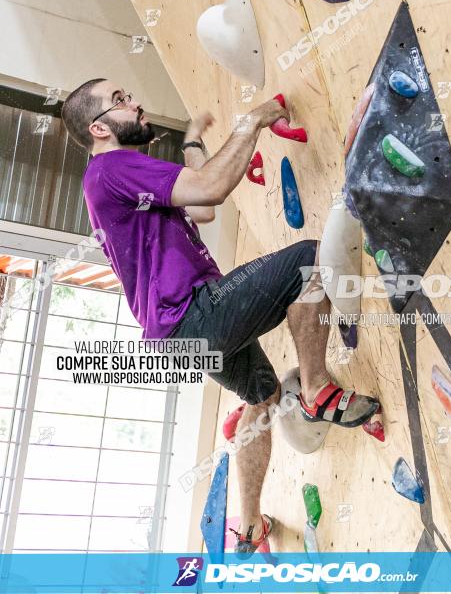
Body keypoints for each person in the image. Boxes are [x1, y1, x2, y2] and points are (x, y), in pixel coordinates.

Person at [62, 79, 379, 554]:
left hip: (176, 337)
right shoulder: (111, 169)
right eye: (120, 101)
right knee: (309, 261)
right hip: (193, 315)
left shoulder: (114, 179)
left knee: (263, 394)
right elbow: (211, 186)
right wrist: (251, 122)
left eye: (130, 93)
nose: (135, 101)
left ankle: (249, 525)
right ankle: (316, 390)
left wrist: (191, 143)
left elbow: (201, 205)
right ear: (99, 127)